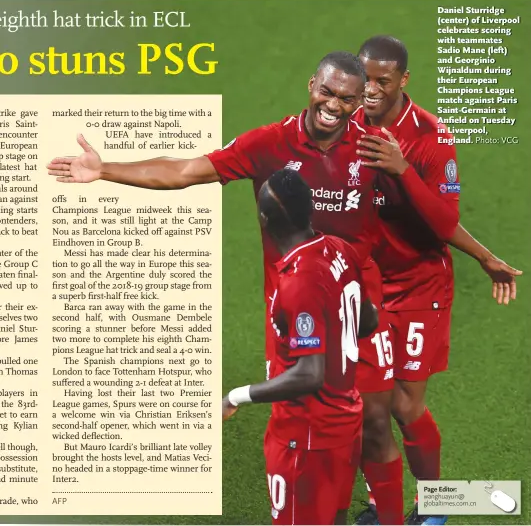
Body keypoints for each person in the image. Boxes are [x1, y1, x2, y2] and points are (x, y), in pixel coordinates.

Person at [47, 49, 519, 525]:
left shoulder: (376, 147)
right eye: (327, 92)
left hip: (360, 311)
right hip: (296, 312)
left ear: (361, 101)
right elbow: (187, 171)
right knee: (309, 437)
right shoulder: (270, 143)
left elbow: (433, 220)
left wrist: (477, 254)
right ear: (312, 84)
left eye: (347, 99)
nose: (334, 105)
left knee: (379, 421)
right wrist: (106, 169)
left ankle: (419, 511)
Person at [351, 35, 523, 526]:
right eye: (366, 79)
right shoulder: (346, 122)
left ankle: (436, 505)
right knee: (370, 407)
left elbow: (442, 220)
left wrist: (403, 171)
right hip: (366, 287)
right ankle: (380, 506)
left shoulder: (430, 136)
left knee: (406, 405)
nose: (372, 90)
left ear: (404, 80)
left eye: (384, 81)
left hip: (419, 285)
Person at [221, 168, 379, 525]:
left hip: (305, 435)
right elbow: (368, 320)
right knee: (334, 518)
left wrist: (235, 396)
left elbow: (309, 374)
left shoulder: (299, 282)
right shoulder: (340, 249)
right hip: (344, 420)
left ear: (264, 219)